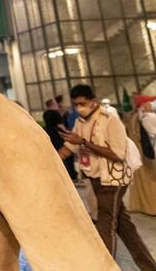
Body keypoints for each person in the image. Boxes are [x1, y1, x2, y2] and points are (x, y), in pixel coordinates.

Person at [58, 84, 156, 270]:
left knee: (105, 223)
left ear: (93, 101)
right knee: (125, 228)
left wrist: (84, 142)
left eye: (82, 103)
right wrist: (52, 159)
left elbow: (117, 154)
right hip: (95, 179)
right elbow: (69, 147)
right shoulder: (80, 121)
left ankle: (105, 266)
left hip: (112, 180)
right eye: (76, 104)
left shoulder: (110, 120)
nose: (79, 107)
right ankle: (148, 266)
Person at [43, 98, 76, 180]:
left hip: (51, 139)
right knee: (67, 158)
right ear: (53, 104)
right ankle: (71, 175)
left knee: (57, 157)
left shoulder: (45, 114)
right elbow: (60, 126)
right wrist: (68, 132)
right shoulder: (55, 113)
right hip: (60, 138)